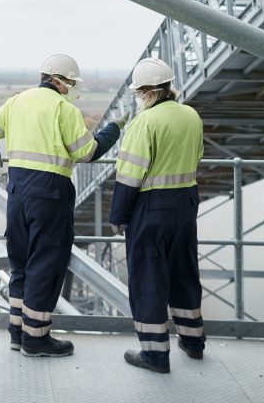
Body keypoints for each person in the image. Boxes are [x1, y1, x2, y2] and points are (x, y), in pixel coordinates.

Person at [0, 54, 121, 358]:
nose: (71, 88)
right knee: (46, 264)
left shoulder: (16, 102)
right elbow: (87, 153)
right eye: (70, 82)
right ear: (59, 81)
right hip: (50, 194)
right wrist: (112, 131)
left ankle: (17, 333)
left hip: (16, 193)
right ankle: (36, 339)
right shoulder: (63, 108)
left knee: (21, 263)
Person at [109, 57, 205, 374]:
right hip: (186, 204)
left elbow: (129, 175)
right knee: (183, 272)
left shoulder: (144, 123)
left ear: (146, 92)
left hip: (152, 208)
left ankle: (154, 354)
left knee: (148, 278)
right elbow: (198, 155)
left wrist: (118, 215)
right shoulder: (191, 115)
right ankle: (193, 343)